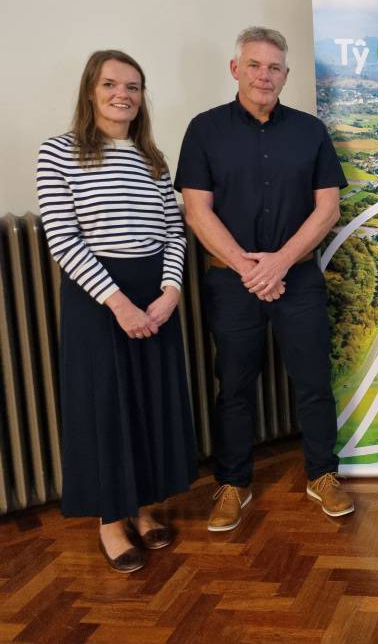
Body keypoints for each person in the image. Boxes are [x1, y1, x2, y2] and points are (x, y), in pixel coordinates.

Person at [175, 26, 352, 531]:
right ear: (236, 69)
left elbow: (327, 209)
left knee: (314, 381)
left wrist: (277, 263)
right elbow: (196, 210)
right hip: (231, 283)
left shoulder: (310, 131)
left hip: (296, 279)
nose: (264, 75)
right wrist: (251, 267)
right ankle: (233, 484)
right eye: (254, 65)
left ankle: (322, 474)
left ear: (286, 76)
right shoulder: (203, 130)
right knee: (233, 384)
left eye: (274, 67)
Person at [36, 49, 197, 573]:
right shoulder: (58, 153)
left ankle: (146, 509)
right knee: (104, 409)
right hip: (98, 297)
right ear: (90, 90)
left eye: (132, 85)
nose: (122, 94)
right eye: (110, 84)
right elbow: (63, 238)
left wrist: (171, 291)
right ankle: (111, 520)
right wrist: (120, 303)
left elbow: (174, 231)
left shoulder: (153, 158)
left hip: (154, 293)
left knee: (150, 402)